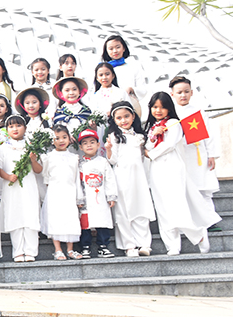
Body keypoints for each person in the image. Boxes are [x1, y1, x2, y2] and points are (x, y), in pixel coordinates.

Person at [144, 92, 219, 255]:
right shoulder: (152, 126)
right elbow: (147, 146)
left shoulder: (173, 123)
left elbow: (169, 145)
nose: (158, 110)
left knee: (176, 205)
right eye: (155, 107)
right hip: (156, 169)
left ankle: (198, 234)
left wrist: (150, 153)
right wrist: (153, 137)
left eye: (162, 107)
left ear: (169, 108)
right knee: (162, 207)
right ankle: (172, 245)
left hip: (172, 166)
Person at [104, 102, 154, 256]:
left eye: (126, 116)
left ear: (133, 116)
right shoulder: (114, 137)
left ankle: (144, 243)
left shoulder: (140, 136)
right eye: (119, 118)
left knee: (141, 209)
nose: (123, 120)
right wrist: (108, 149)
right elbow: (113, 161)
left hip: (139, 178)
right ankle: (129, 245)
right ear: (114, 120)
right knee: (124, 212)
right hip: (122, 178)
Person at [170, 76, 221, 221]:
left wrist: (211, 155)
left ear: (191, 92)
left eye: (186, 91)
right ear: (172, 94)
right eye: (179, 92)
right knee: (185, 189)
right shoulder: (170, 113)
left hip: (199, 154)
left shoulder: (199, 111)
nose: (183, 95)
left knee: (203, 188)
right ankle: (190, 219)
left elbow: (209, 135)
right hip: (182, 155)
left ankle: (209, 220)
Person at [0, 115, 41, 262]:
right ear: (7, 129)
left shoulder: (32, 146)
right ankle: (18, 251)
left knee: (30, 215)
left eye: (18, 125)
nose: (15, 129)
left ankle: (30, 251)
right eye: (11, 126)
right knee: (14, 215)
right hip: (11, 187)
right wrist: (8, 177)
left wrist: (33, 160)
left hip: (28, 185)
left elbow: (38, 170)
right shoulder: (3, 148)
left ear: (25, 128)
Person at [36, 125, 83, 260]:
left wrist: (79, 197)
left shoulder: (74, 158)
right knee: (55, 219)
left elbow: (76, 178)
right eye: (57, 138)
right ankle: (57, 249)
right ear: (52, 140)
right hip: (55, 192)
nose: (61, 141)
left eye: (64, 137)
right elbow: (45, 177)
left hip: (70, 191)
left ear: (69, 138)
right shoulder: (48, 157)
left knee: (71, 219)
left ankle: (70, 249)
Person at [77, 128, 117, 259]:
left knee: (102, 222)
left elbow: (109, 179)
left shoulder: (103, 161)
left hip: (100, 197)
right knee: (86, 224)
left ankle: (103, 246)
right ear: (81, 147)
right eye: (85, 143)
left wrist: (111, 195)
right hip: (86, 199)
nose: (89, 145)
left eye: (92, 142)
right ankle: (85, 247)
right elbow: (78, 182)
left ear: (98, 145)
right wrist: (79, 198)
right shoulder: (80, 164)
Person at [102, 34, 148, 103]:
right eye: (111, 49)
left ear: (124, 48)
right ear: (107, 51)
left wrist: (132, 89)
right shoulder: (103, 69)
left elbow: (143, 89)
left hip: (129, 105)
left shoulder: (133, 67)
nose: (115, 51)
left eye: (118, 47)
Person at [51, 76, 93, 141]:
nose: (71, 93)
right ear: (61, 93)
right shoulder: (59, 112)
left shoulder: (86, 111)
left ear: (79, 91)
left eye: (74, 89)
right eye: (67, 90)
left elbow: (92, 131)